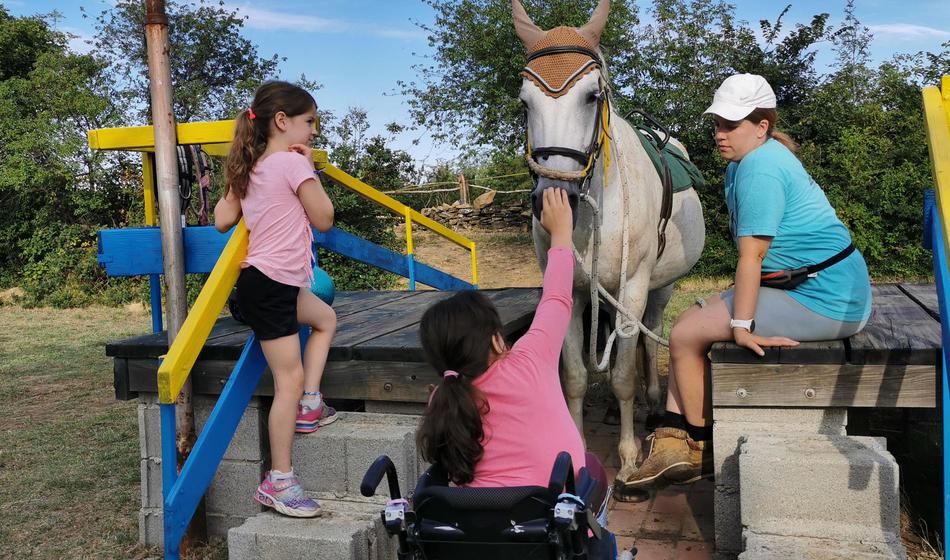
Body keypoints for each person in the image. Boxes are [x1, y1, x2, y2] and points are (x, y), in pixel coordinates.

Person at [625, 73, 873, 489]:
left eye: (731, 125)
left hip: (825, 297)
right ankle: (673, 434)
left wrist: (741, 326)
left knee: (685, 334)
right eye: (717, 123)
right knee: (696, 316)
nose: (720, 134)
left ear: (762, 126)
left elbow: (751, 256)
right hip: (808, 283)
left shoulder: (760, 167)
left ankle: (700, 445)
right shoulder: (748, 161)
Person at [416, 188, 630, 560]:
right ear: (498, 341)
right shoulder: (529, 361)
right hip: (547, 527)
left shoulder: (442, 398)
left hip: (480, 535)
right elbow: (558, 298)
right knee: (592, 467)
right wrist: (561, 233)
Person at [214, 81, 338, 517]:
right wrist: (311, 172)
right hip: (271, 286)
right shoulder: (291, 164)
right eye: (309, 122)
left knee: (325, 319)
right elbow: (323, 219)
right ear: (282, 122)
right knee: (287, 378)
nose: (314, 132)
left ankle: (311, 403)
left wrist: (235, 183)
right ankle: (279, 481)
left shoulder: (250, 167)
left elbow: (222, 220)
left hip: (267, 285)